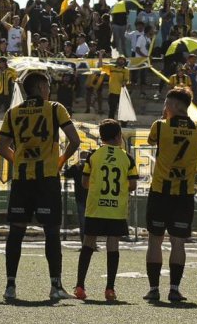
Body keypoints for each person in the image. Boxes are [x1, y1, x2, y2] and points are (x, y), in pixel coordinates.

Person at [0, 72, 81, 301]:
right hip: (47, 180)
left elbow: (1, 147)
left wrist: (20, 161)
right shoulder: (55, 108)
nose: (49, 89)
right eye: (47, 85)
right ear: (41, 86)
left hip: (22, 180)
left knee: (16, 232)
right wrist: (61, 160)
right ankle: (55, 286)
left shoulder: (12, 112)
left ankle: (10, 286)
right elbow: (75, 140)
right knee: (51, 232)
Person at [144, 87, 197, 303]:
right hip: (184, 193)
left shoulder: (160, 126)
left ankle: (153, 289)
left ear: (173, 106)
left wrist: (165, 120)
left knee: (155, 240)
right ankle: (174, 288)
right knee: (178, 242)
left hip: (161, 190)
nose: (164, 108)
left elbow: (152, 141)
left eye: (166, 104)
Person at [73, 119, 138, 302]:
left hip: (95, 208)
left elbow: (84, 183)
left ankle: (80, 287)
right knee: (113, 246)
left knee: (88, 244)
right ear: (119, 136)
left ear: (101, 137)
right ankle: (110, 289)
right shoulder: (127, 157)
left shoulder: (93, 156)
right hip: (116, 210)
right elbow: (132, 184)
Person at [63, 151, 90, 241]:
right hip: (87, 197)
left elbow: (66, 174)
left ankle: (86, 242)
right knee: (86, 221)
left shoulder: (79, 167)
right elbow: (66, 174)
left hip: (84, 197)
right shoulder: (88, 167)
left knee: (84, 221)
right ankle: (88, 242)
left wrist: (70, 167)